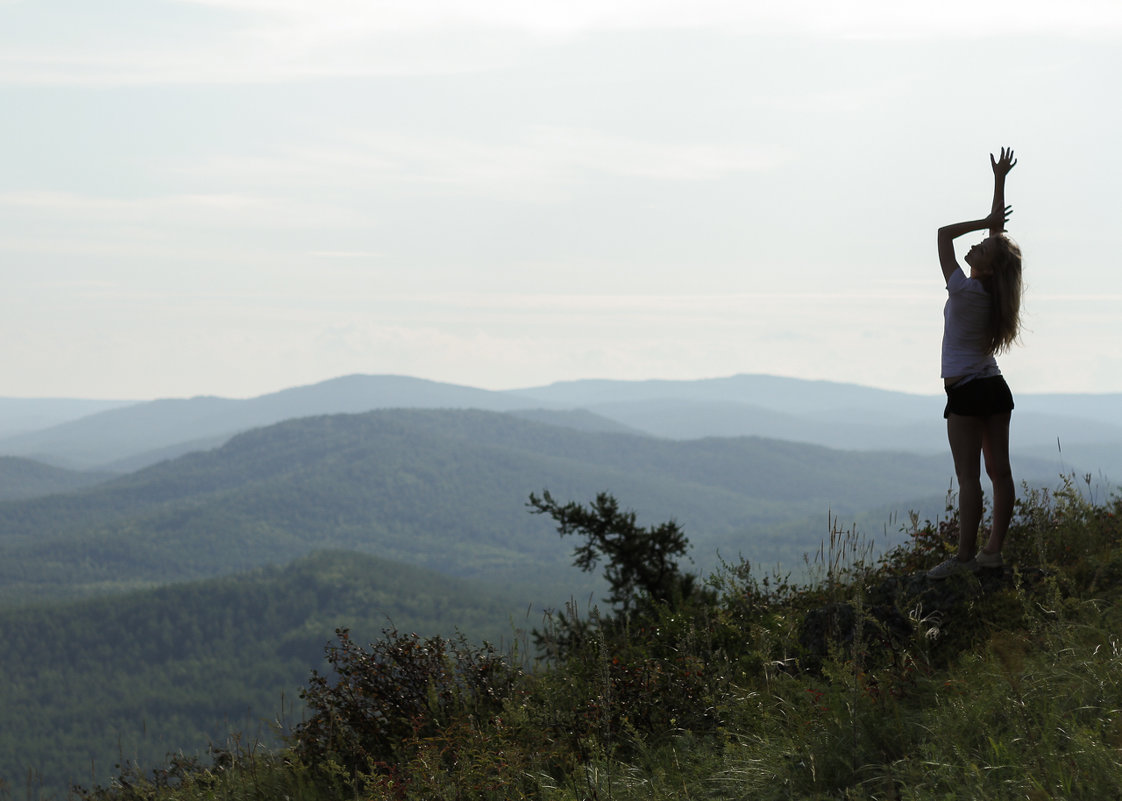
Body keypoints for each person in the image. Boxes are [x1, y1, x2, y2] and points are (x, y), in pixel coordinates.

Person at [927, 147, 1024, 580]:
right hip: (995, 387)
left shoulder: (963, 291)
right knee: (1000, 472)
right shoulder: (995, 294)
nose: (976, 244)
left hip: (965, 390)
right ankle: (992, 553)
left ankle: (964, 560)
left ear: (985, 267)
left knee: (969, 479)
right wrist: (999, 181)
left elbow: (944, 233)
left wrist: (987, 223)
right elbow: (999, 242)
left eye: (981, 247)